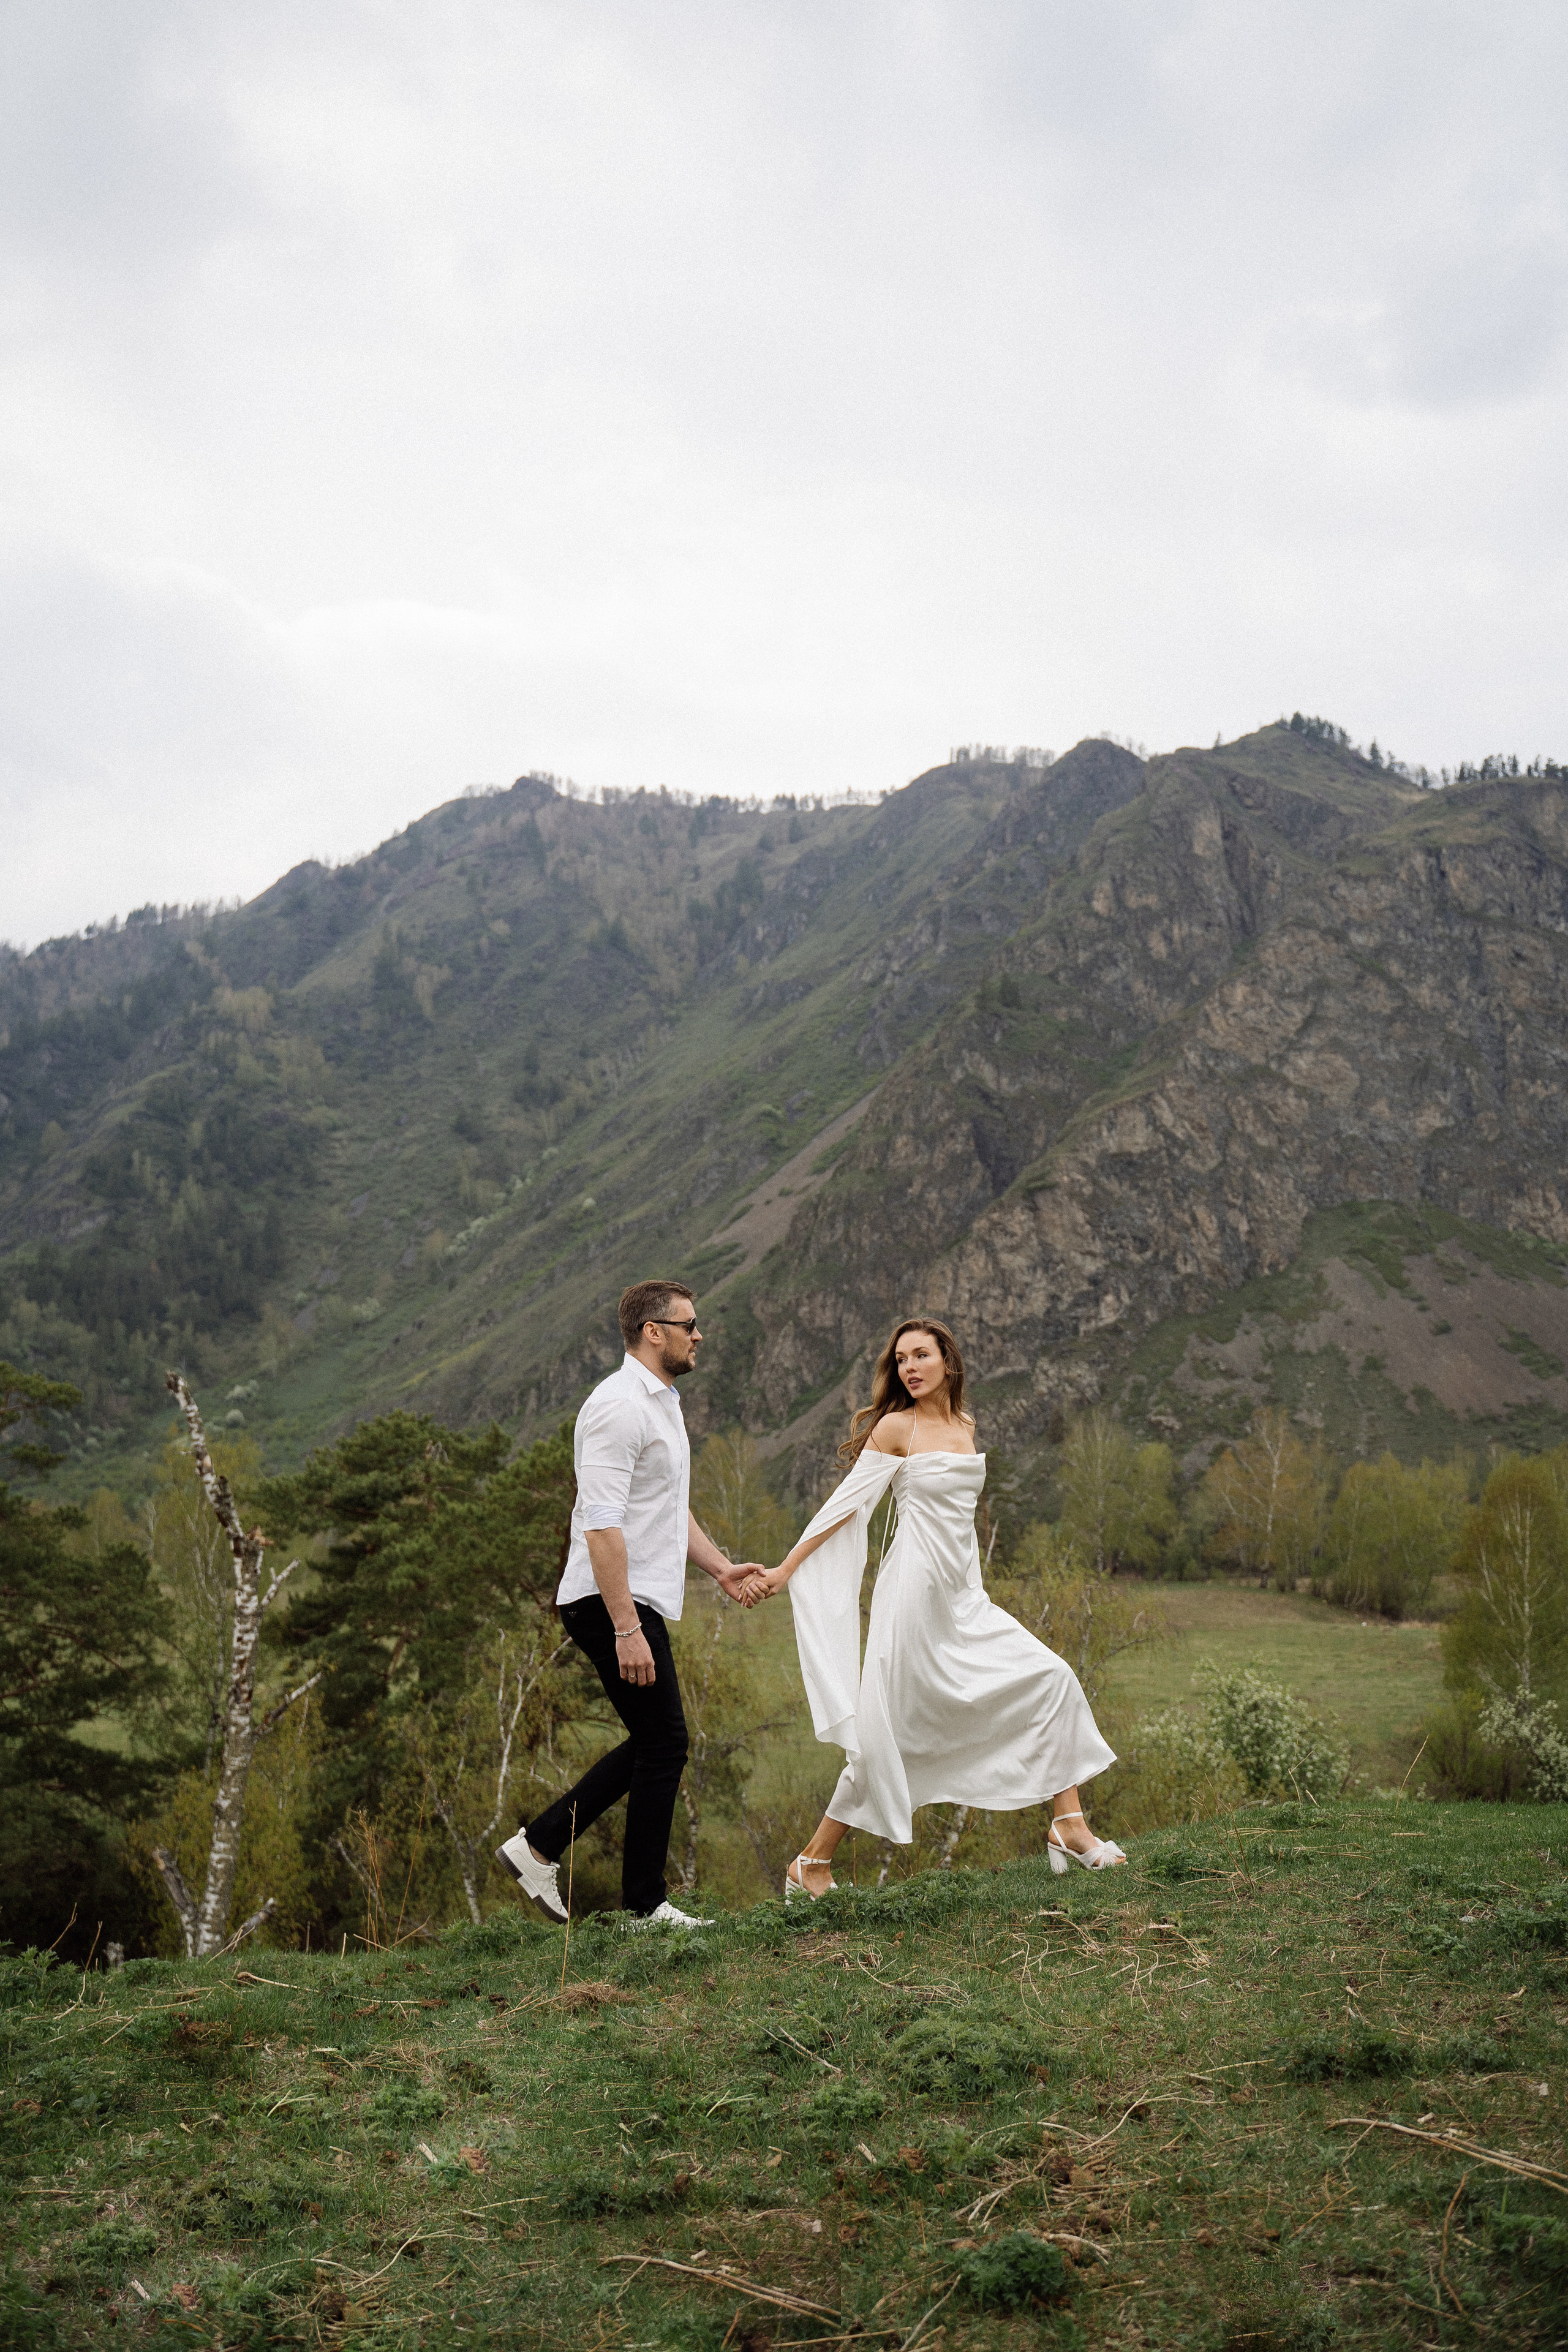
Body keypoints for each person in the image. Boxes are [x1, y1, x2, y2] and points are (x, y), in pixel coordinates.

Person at [742, 1316, 1126, 1896]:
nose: (910, 1368)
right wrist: (788, 1569)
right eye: (901, 1360)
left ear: (948, 1360)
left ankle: (1068, 1824)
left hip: (963, 1594)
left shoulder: (966, 1425)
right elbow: (846, 1505)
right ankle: (811, 1862)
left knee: (1052, 1678)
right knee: (887, 1730)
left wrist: (969, 1585)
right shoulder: (898, 1428)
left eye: (921, 1356)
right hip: (911, 1597)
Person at [496, 1280, 762, 1926]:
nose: (698, 1334)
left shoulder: (660, 1402)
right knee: (666, 1742)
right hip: (609, 1601)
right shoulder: (617, 1407)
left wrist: (721, 1567)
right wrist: (625, 1626)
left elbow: (667, 1506)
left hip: (627, 1599)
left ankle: (540, 1847)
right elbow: (601, 1525)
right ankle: (642, 1903)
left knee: (655, 1741)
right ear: (653, 1331)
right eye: (688, 1324)